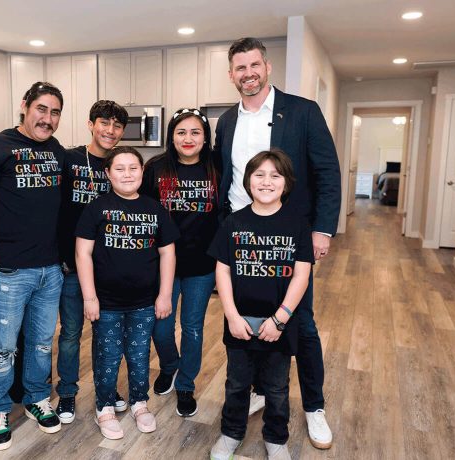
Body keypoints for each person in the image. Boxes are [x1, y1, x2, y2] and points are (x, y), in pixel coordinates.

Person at [214, 37, 341, 449]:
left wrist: (321, 229)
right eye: (239, 68)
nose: (247, 73)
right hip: (241, 236)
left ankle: (314, 406)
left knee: (299, 322)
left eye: (254, 65)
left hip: (289, 236)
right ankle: (258, 392)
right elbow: (226, 178)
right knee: (246, 321)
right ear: (231, 75)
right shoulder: (227, 121)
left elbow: (327, 172)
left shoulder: (303, 111)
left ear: (267, 68)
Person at [0, 81, 66, 450]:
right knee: (4, 346)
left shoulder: (56, 151)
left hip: (50, 270)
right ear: (25, 106)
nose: (47, 118)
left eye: (54, 112)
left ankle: (37, 399)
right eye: (41, 109)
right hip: (8, 271)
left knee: (40, 344)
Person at [208, 150, 313, 460]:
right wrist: (231, 315)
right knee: (237, 384)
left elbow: (302, 276)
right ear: (248, 181)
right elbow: (222, 270)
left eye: (275, 176)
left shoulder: (297, 224)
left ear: (286, 183)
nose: (267, 181)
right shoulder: (233, 222)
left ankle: (276, 437)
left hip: (278, 325)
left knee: (277, 388)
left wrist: (280, 320)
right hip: (239, 322)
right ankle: (231, 433)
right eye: (259, 175)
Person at [75, 146, 179, 440]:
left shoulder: (155, 208)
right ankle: (104, 408)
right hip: (105, 303)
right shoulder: (96, 208)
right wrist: (89, 297)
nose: (127, 174)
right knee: (107, 357)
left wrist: (165, 294)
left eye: (133, 167)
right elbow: (83, 253)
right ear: (107, 174)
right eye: (119, 168)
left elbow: (168, 254)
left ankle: (139, 402)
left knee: (139, 355)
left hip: (145, 302)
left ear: (142, 172)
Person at [141, 108, 220, 417]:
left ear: (205, 137)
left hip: (202, 266)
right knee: (160, 328)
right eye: (181, 132)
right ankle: (170, 366)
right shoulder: (156, 168)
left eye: (195, 132)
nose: (188, 139)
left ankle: (186, 384)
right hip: (164, 264)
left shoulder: (217, 167)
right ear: (171, 136)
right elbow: (144, 213)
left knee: (193, 328)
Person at [55, 100, 130, 424]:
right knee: (71, 333)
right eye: (104, 123)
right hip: (72, 267)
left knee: (107, 337)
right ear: (90, 124)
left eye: (116, 126)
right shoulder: (69, 159)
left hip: (109, 270)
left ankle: (107, 389)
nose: (110, 131)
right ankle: (68, 394)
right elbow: (41, 198)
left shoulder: (122, 165)